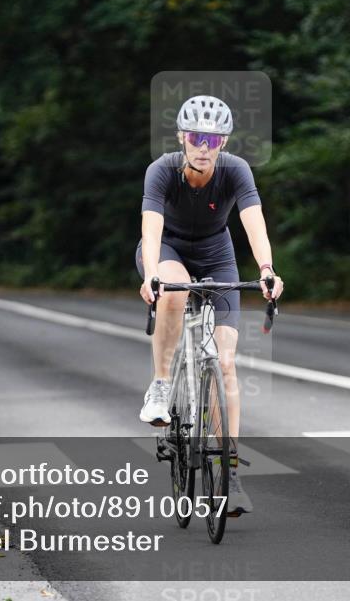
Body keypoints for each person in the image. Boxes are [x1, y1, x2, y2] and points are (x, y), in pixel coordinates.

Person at [136, 95, 284, 516]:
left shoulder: (236, 170)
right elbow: (151, 228)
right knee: (176, 288)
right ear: (182, 137)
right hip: (168, 250)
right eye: (197, 138)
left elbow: (254, 223)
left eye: (214, 140)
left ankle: (230, 474)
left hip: (217, 256)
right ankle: (161, 384)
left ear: (224, 143)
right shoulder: (161, 170)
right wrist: (151, 274)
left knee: (226, 363)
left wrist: (267, 269)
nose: (204, 147)